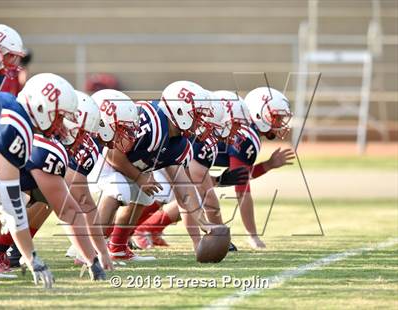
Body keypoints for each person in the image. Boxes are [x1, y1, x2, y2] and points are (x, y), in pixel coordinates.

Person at [131, 88, 295, 249]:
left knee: (187, 195)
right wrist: (240, 235)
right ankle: (140, 231)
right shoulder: (228, 138)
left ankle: (143, 230)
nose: (238, 130)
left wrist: (266, 166)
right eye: (276, 117)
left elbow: (238, 176)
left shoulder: (217, 138)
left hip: (170, 160)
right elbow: (240, 190)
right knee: (184, 195)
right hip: (161, 158)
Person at [90, 81, 227, 261]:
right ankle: (89, 251)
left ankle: (117, 248)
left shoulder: (179, 143)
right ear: (180, 111)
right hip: (102, 157)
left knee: (145, 196)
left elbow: (183, 187)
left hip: (129, 166)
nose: (201, 121)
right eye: (198, 115)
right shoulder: (150, 122)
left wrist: (203, 222)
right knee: (119, 190)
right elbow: (112, 153)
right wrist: (140, 178)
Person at [0, 73, 78, 287]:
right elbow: (13, 204)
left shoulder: (4, 101)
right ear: (40, 108)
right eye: (58, 115)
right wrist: (32, 258)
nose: (61, 123)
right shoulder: (16, 128)